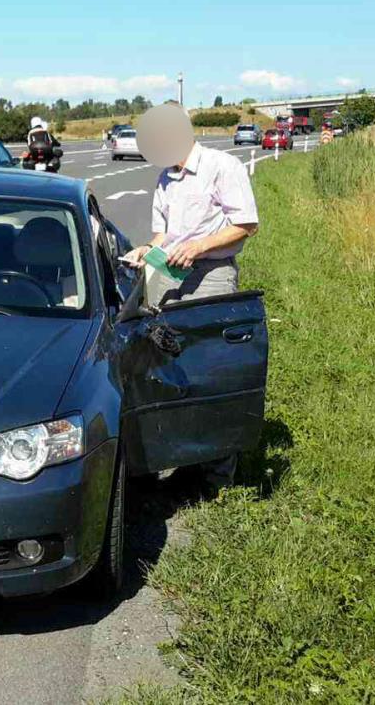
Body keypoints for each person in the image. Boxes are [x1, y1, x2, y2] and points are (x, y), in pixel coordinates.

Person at [124, 103, 260, 489]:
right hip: (169, 274)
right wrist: (143, 250)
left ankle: (217, 474)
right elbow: (162, 235)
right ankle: (172, 453)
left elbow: (246, 224)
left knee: (210, 368)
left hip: (212, 274)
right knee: (164, 364)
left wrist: (199, 247)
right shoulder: (165, 179)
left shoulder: (222, 166)